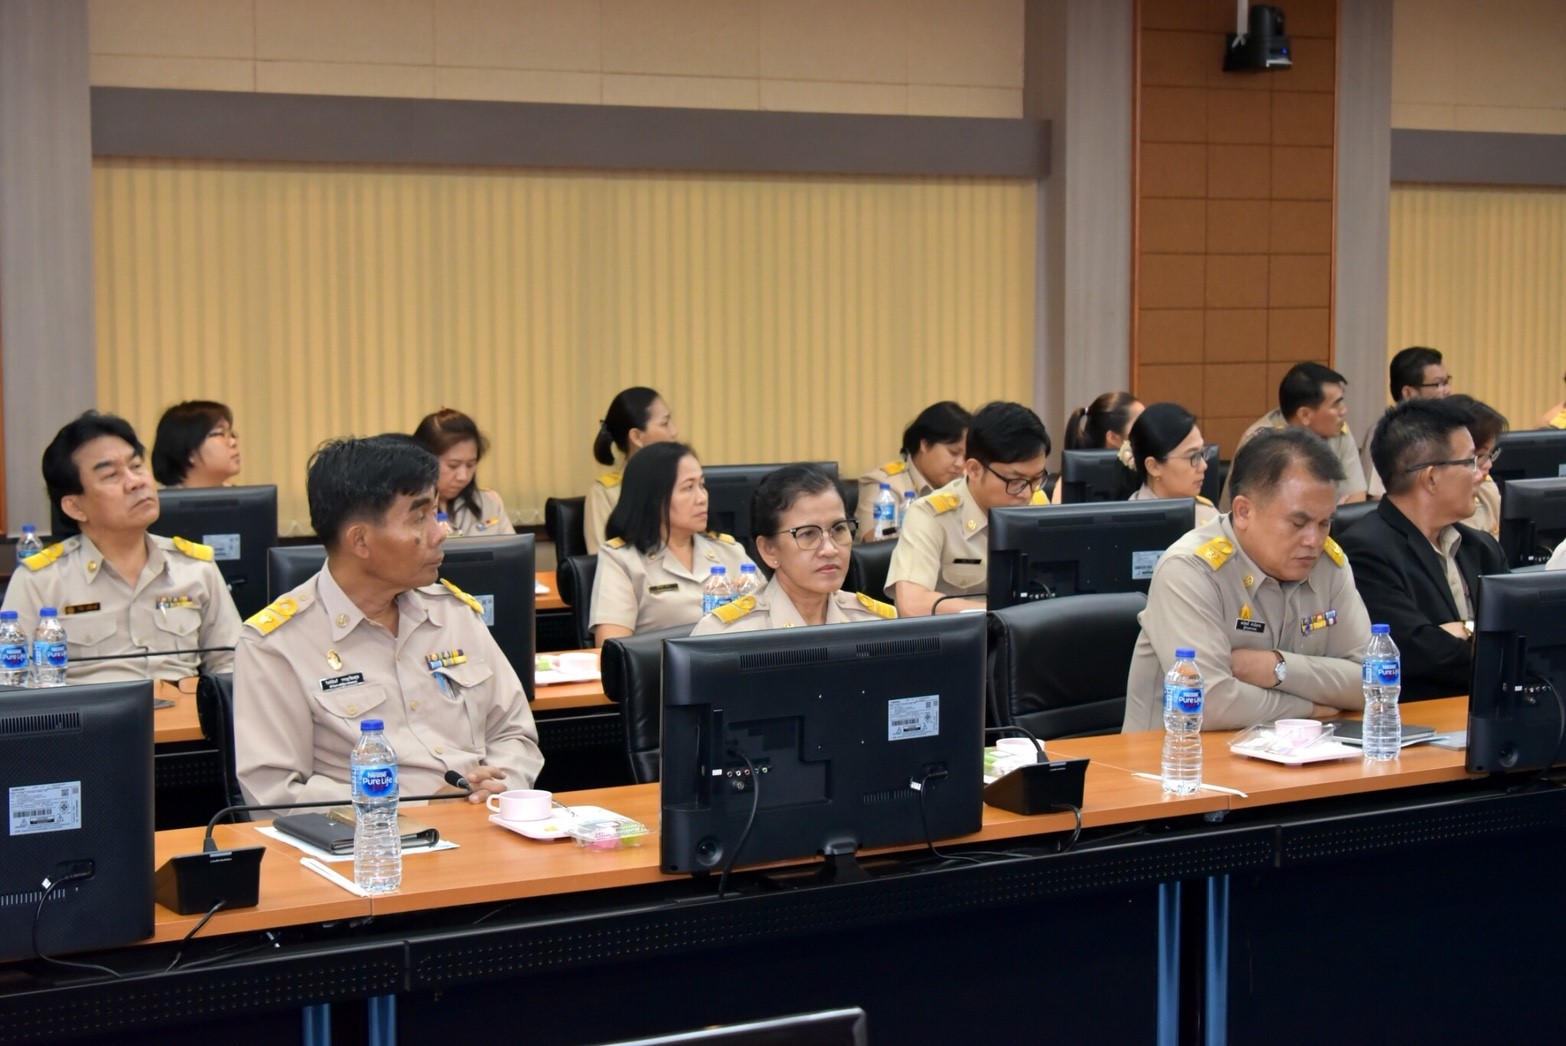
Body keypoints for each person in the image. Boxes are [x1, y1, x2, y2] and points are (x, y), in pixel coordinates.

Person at [234, 435, 541, 807]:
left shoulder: (453, 614)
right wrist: (418, 807)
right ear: (360, 541)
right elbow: (276, 795)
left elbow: (514, 734)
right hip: (370, 838)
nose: (440, 532)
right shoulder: (276, 644)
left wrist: (497, 787)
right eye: (419, 517)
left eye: (436, 513)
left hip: (487, 822)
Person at [1123, 427, 1371, 732]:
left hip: (1295, 754)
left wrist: (1276, 668)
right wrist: (1309, 708)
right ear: (1243, 512)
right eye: (1299, 522)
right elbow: (1209, 703)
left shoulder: (1328, 566)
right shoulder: (1189, 570)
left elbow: (1372, 681)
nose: (1314, 540)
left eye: (1324, 523)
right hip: (1178, 756)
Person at [3, 411, 241, 683]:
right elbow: (13, 681)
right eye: (111, 475)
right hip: (92, 711)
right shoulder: (40, 581)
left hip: (184, 709)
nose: (136, 482)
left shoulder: (195, 568)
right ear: (75, 507)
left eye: (136, 466)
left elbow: (230, 661)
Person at [1338, 399, 1507, 702]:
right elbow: (1418, 652)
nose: (1481, 473)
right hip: (1418, 717)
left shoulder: (1481, 547)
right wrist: (1480, 633)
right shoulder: (1365, 551)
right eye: (1470, 461)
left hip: (1490, 709)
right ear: (1430, 477)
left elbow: (1518, 634)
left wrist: (1462, 630)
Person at [885, 401, 1050, 616]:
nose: (1027, 493)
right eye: (1015, 481)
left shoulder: (1038, 505)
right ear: (974, 470)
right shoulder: (930, 515)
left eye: (1036, 479)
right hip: (962, 635)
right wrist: (1001, 615)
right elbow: (912, 605)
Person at [694, 465, 896, 634]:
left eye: (839, 529)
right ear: (769, 550)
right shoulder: (725, 635)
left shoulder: (878, 625)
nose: (829, 549)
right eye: (808, 534)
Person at [589, 441, 754, 644]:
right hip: (659, 665)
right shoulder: (622, 560)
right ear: (654, 497)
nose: (702, 498)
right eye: (688, 488)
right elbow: (612, 648)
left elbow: (771, 620)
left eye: (702, 485)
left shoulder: (729, 551)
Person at [1219, 362, 1367, 509]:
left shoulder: (1337, 430)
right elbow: (1261, 513)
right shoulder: (1260, 443)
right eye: (1336, 405)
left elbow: (1356, 498)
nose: (1344, 411)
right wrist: (1328, 511)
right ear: (1305, 415)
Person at [855, 401, 970, 542]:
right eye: (953, 452)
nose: (960, 464)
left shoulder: (965, 486)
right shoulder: (884, 485)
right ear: (925, 444)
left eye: (966, 457)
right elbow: (877, 544)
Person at [586, 387, 679, 554]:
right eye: (665, 423)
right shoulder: (606, 493)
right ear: (636, 437)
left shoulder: (680, 484)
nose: (674, 432)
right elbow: (601, 558)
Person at [1362, 347, 1451, 498]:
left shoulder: (1449, 430)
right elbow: (1376, 498)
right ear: (1408, 393)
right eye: (1438, 384)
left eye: (1447, 382)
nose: (1447, 390)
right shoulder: (1385, 434)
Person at [410, 408, 515, 536]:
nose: (463, 477)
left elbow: (514, 547)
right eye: (453, 465)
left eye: (470, 465)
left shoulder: (490, 502)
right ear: (424, 461)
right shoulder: (404, 507)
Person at [1123, 402, 1218, 527]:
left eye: (1201, 453)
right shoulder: (1130, 524)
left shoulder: (1208, 514)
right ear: (1153, 467)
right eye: (1193, 456)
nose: (1204, 466)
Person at [1050, 392, 1144, 503]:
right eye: (1139, 425)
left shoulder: (1145, 472)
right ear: (1113, 437)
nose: (1146, 430)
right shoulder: (1070, 484)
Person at [1447, 394, 1508, 538]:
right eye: (1480, 456)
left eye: (1490, 454)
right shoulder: (1437, 508)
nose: (1489, 464)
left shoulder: (1487, 488)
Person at [151, 400, 242, 488]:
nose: (233, 442)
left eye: (231, 434)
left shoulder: (242, 496)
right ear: (189, 453)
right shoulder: (159, 499)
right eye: (220, 433)